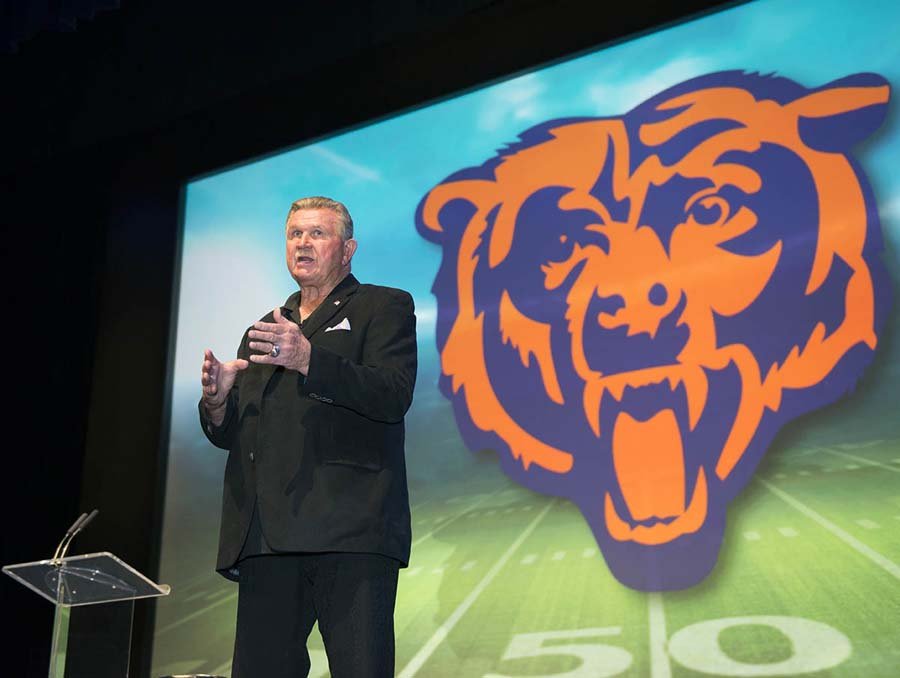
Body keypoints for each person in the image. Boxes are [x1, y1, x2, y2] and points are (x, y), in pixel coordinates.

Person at [199, 196, 417, 678]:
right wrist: (217, 404)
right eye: (295, 233)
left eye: (317, 233)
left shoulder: (383, 306)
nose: (303, 242)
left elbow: (392, 393)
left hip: (349, 529)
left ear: (348, 249)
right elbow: (236, 430)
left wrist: (310, 360)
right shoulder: (264, 329)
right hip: (267, 539)